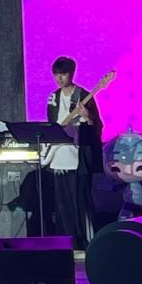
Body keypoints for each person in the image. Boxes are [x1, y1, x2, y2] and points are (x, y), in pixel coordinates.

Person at [42, 56, 104, 251]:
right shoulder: (53, 97)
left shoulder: (83, 95)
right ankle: (67, 242)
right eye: (56, 75)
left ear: (72, 74)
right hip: (58, 155)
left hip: (77, 155)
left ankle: (87, 243)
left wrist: (88, 116)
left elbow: (96, 124)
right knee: (62, 204)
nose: (60, 79)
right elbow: (52, 124)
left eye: (64, 74)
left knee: (81, 201)